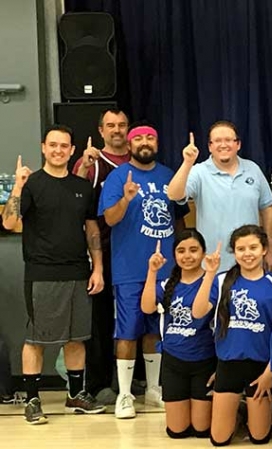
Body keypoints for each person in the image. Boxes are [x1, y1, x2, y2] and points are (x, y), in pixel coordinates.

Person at [2, 125, 106, 424]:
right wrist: (19, 186)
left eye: (64, 146)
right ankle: (33, 399)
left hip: (77, 271)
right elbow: (9, 222)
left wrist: (97, 267)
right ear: (43, 148)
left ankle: (75, 395)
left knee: (76, 338)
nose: (58, 150)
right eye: (53, 145)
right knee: (36, 339)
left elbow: (91, 229)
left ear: (72, 150)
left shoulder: (82, 186)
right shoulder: (32, 184)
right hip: (42, 273)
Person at [99, 124, 185, 418]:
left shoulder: (168, 175)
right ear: (130, 144)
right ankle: (124, 395)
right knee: (128, 331)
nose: (145, 142)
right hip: (130, 269)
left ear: (157, 143)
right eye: (139, 138)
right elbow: (109, 219)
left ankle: (153, 389)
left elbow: (183, 219)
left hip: (166, 271)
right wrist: (125, 198)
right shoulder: (118, 177)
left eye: (151, 137)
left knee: (155, 331)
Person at [191, 225, 272, 446]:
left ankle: (256, 410)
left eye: (253, 247)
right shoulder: (222, 280)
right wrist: (209, 273)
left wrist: (269, 374)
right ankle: (239, 409)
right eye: (241, 249)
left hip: (261, 367)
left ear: (264, 249)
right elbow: (197, 312)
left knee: (259, 438)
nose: (247, 254)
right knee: (219, 440)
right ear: (234, 252)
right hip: (228, 364)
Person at [72, 109, 130, 403]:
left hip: (136, 250)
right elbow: (77, 202)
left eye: (122, 125)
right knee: (101, 319)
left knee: (137, 320)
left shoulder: (141, 161)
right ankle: (98, 383)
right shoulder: (92, 164)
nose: (117, 130)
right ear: (101, 129)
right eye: (111, 125)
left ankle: (136, 380)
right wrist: (83, 168)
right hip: (103, 250)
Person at [166, 122, 272, 272]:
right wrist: (187, 163)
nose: (223, 145)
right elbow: (173, 194)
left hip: (251, 262)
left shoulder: (253, 169)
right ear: (210, 146)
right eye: (217, 141)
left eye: (229, 140)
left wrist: (270, 249)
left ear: (238, 144)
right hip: (213, 265)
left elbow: (267, 209)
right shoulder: (199, 172)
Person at [140, 229, 215, 438]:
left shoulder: (213, 283)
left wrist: (209, 274)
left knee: (201, 431)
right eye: (181, 251)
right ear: (174, 255)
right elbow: (146, 308)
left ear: (203, 253)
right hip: (174, 361)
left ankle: (235, 411)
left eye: (193, 250)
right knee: (177, 431)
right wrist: (152, 271)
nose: (187, 256)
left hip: (204, 360)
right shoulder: (166, 284)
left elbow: (199, 312)